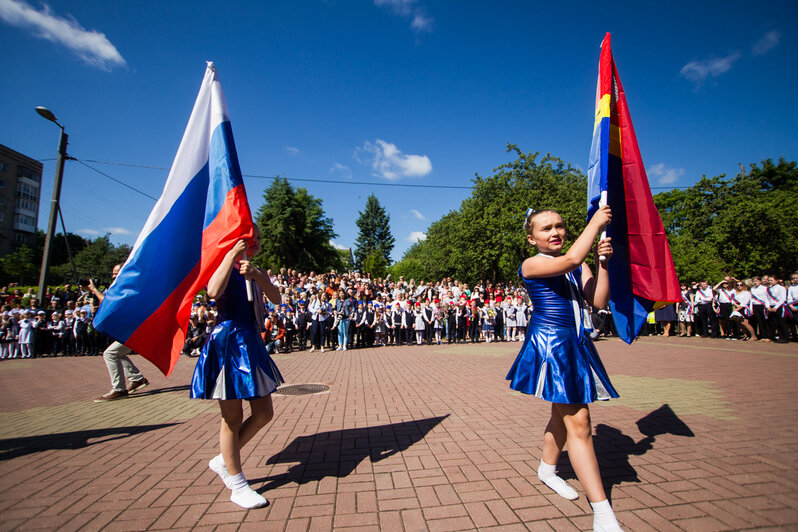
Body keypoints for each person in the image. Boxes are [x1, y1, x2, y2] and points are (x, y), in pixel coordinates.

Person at [506, 206, 622, 532]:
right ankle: (602, 512)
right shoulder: (533, 264)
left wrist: (602, 264)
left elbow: (597, 301)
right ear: (531, 239)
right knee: (580, 421)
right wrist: (596, 222)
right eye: (546, 228)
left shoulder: (578, 263)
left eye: (559, 225)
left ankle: (547, 469)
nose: (555, 231)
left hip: (575, 343)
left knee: (562, 414)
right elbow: (570, 260)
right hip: (551, 345)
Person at [190, 229, 283, 509]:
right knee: (231, 418)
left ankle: (223, 459)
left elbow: (276, 298)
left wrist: (259, 276)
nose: (256, 243)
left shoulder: (253, 270)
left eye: (258, 240)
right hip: (228, 343)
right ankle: (237, 484)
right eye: (251, 238)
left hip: (251, 342)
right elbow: (213, 291)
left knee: (264, 413)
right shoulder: (224, 263)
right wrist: (230, 254)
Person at [90, 268, 150, 401]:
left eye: (116, 273)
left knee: (110, 354)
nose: (113, 275)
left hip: (135, 329)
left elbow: (109, 304)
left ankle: (119, 389)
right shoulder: (124, 285)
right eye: (112, 273)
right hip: (131, 328)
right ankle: (137, 379)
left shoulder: (128, 285)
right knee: (118, 354)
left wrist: (94, 290)